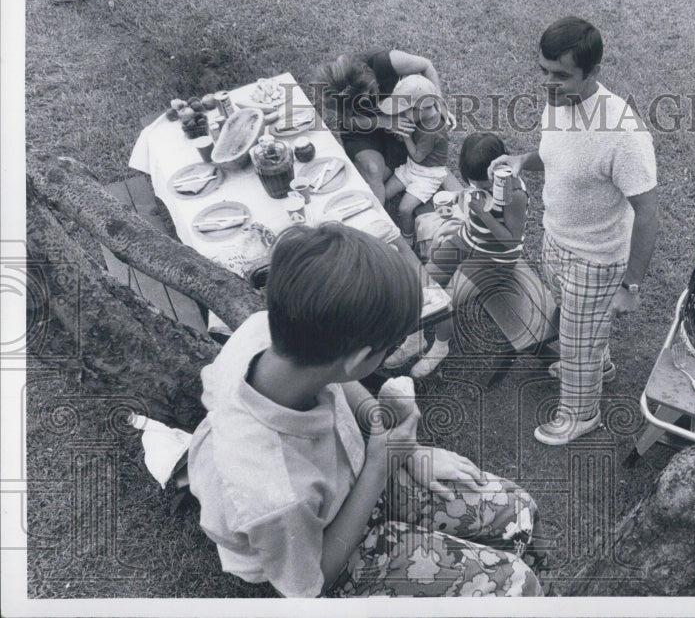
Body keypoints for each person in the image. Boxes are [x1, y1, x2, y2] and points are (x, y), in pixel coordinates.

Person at [187, 223, 543, 597]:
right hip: (319, 547)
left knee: (519, 511)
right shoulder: (276, 493)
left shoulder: (267, 332)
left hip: (350, 479)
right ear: (358, 358)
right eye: (392, 347)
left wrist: (398, 442)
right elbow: (312, 583)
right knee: (518, 585)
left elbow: (336, 378)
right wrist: (382, 463)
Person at [489, 16, 660, 446]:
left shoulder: (623, 134)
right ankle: (597, 364)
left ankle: (580, 414)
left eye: (561, 75)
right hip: (557, 239)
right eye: (543, 70)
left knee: (577, 341)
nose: (547, 83)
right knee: (579, 331)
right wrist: (523, 159)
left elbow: (648, 212)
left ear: (593, 72)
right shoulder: (559, 100)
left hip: (596, 258)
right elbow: (559, 156)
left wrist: (631, 286)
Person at [385, 132, 529, 378]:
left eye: (483, 184)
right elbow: (473, 198)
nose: (479, 187)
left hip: (493, 259)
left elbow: (511, 241)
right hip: (466, 239)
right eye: (474, 182)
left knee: (445, 300)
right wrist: (459, 200)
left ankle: (441, 347)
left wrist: (482, 215)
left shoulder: (513, 193)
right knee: (422, 282)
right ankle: (415, 338)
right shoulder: (480, 177)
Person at [313, 49, 454, 204]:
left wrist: (438, 102)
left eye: (371, 93)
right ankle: (378, 217)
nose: (372, 99)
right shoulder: (336, 95)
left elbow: (426, 65)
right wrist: (382, 121)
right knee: (372, 171)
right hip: (363, 126)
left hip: (399, 116)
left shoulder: (386, 62)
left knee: (381, 175)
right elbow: (348, 122)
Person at [378, 74, 452, 246]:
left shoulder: (432, 130)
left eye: (406, 110)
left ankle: (408, 238)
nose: (403, 114)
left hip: (428, 174)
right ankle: (385, 224)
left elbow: (418, 156)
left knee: (404, 209)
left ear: (422, 108)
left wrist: (405, 136)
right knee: (384, 193)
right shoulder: (423, 115)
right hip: (412, 167)